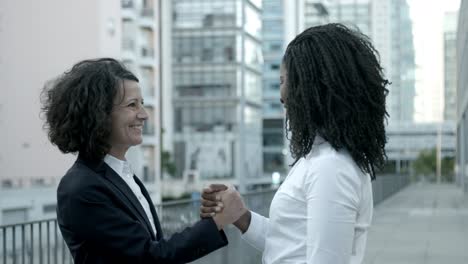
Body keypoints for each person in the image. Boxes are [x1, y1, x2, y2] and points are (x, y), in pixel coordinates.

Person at [201, 23, 389, 264]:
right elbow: (290, 244)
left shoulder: (331, 167)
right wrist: (242, 217)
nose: (281, 95)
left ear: (312, 87)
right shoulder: (319, 159)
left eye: (283, 81)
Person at [41, 58, 246, 263]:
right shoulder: (81, 188)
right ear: (98, 113)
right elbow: (148, 257)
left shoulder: (120, 174)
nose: (144, 115)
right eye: (132, 105)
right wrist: (218, 221)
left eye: (142, 104)